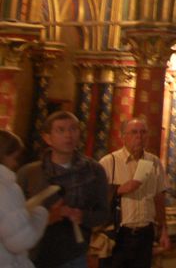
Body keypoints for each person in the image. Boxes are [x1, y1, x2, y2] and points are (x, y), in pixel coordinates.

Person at [18, 111, 109, 268]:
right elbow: (14, 215)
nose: (68, 135)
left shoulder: (93, 171)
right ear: (47, 138)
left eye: (73, 129)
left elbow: (104, 213)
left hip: (74, 253)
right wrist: (47, 217)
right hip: (36, 253)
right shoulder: (30, 173)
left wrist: (82, 216)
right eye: (61, 130)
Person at [98, 117, 171, 267]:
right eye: (134, 132)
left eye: (143, 132)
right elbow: (95, 198)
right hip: (119, 234)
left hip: (145, 233)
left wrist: (163, 230)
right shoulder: (108, 162)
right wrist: (118, 189)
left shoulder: (154, 162)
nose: (139, 137)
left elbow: (159, 198)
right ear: (123, 136)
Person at [0, 129, 51, 268]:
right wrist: (39, 214)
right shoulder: (6, 187)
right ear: (4, 155)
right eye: (14, 158)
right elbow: (18, 240)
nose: (16, 164)